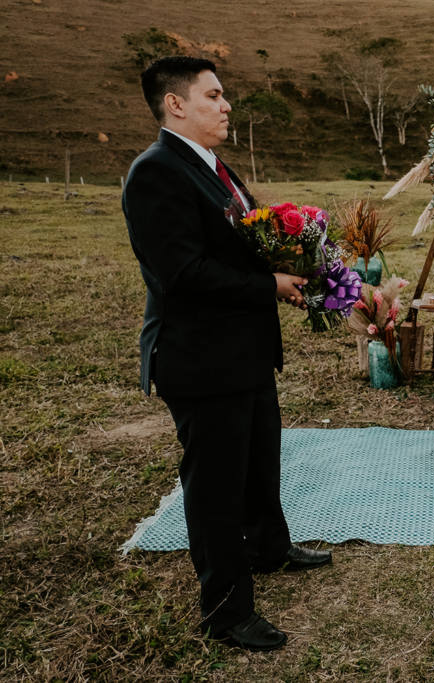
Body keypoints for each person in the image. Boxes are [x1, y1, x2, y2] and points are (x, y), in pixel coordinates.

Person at [121, 56, 330, 652]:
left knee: (259, 456)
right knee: (213, 485)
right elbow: (180, 273)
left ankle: (268, 547)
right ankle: (227, 612)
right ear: (176, 104)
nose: (227, 104)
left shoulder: (213, 166)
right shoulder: (156, 172)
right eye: (213, 95)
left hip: (242, 351)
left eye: (224, 95)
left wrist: (293, 263)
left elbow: (241, 244)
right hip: (199, 357)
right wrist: (269, 285)